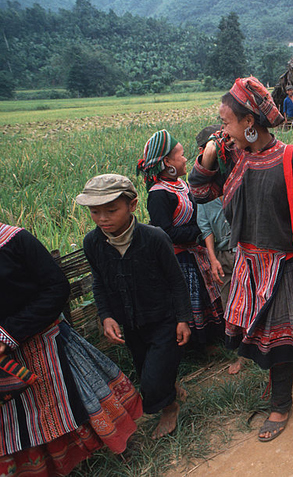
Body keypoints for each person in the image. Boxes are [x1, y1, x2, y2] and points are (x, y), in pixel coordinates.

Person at [190, 75, 293, 442]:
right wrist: (210, 154)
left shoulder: (292, 160)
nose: (221, 130)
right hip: (248, 263)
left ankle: (280, 404)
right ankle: (288, 364)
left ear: (249, 122)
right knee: (265, 333)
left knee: (279, 338)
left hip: (282, 264)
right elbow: (199, 193)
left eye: (227, 122)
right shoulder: (232, 158)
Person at [0, 221, 142, 476]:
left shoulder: (15, 240)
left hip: (45, 340)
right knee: (16, 423)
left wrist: (7, 335)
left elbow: (56, 288)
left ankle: (115, 448)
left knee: (79, 399)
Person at [77, 173, 188, 439]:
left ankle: (169, 407)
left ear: (133, 205)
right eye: (95, 212)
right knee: (145, 368)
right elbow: (100, 284)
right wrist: (106, 316)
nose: (103, 218)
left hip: (163, 319)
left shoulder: (154, 238)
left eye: (111, 210)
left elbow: (176, 281)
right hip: (131, 324)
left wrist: (183, 318)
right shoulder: (93, 243)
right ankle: (169, 387)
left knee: (150, 383)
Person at [137, 130, 224, 347]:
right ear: (167, 161)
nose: (186, 159)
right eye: (181, 154)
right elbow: (165, 231)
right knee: (193, 299)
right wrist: (197, 232)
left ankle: (215, 339)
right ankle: (198, 346)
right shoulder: (158, 194)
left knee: (208, 296)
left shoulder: (182, 185)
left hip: (196, 253)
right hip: (181, 259)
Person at [195, 125, 243, 374]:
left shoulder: (237, 174)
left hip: (245, 250)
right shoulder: (203, 187)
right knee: (229, 304)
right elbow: (205, 227)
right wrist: (212, 258)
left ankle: (260, 347)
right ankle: (239, 352)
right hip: (223, 254)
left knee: (255, 298)